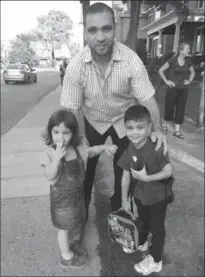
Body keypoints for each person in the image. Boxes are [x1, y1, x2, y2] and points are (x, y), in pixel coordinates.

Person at [60, 2, 167, 217]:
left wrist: (158, 130)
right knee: (84, 167)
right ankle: (81, 211)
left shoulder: (130, 60)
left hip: (122, 120)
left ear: (114, 27)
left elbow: (147, 98)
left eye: (106, 29)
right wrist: (80, 141)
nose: (100, 37)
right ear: (86, 33)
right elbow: (72, 108)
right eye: (93, 30)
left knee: (126, 168)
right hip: (92, 120)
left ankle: (120, 210)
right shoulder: (76, 65)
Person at [40, 108, 118, 270]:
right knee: (63, 228)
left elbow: (91, 151)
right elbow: (50, 176)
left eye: (66, 133)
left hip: (77, 197)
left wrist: (105, 147)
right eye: (56, 132)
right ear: (50, 133)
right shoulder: (49, 154)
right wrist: (56, 161)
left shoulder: (77, 150)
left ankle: (73, 243)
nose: (61, 137)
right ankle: (66, 257)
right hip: (61, 202)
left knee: (76, 223)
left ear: (73, 134)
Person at [117, 105, 173, 276]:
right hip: (140, 196)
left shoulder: (156, 148)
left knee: (157, 229)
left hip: (157, 198)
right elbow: (125, 175)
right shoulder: (129, 148)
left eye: (140, 127)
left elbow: (168, 171)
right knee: (142, 221)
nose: (135, 132)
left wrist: (147, 178)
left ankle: (156, 260)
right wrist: (124, 200)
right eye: (130, 128)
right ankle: (142, 242)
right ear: (125, 128)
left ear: (149, 128)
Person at [158, 42, 195, 139]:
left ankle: (177, 131)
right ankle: (165, 125)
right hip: (172, 89)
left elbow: (192, 72)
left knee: (180, 109)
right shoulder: (172, 61)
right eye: (187, 49)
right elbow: (160, 70)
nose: (189, 51)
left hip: (183, 89)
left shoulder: (188, 61)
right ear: (181, 50)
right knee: (169, 107)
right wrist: (167, 81)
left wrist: (189, 81)